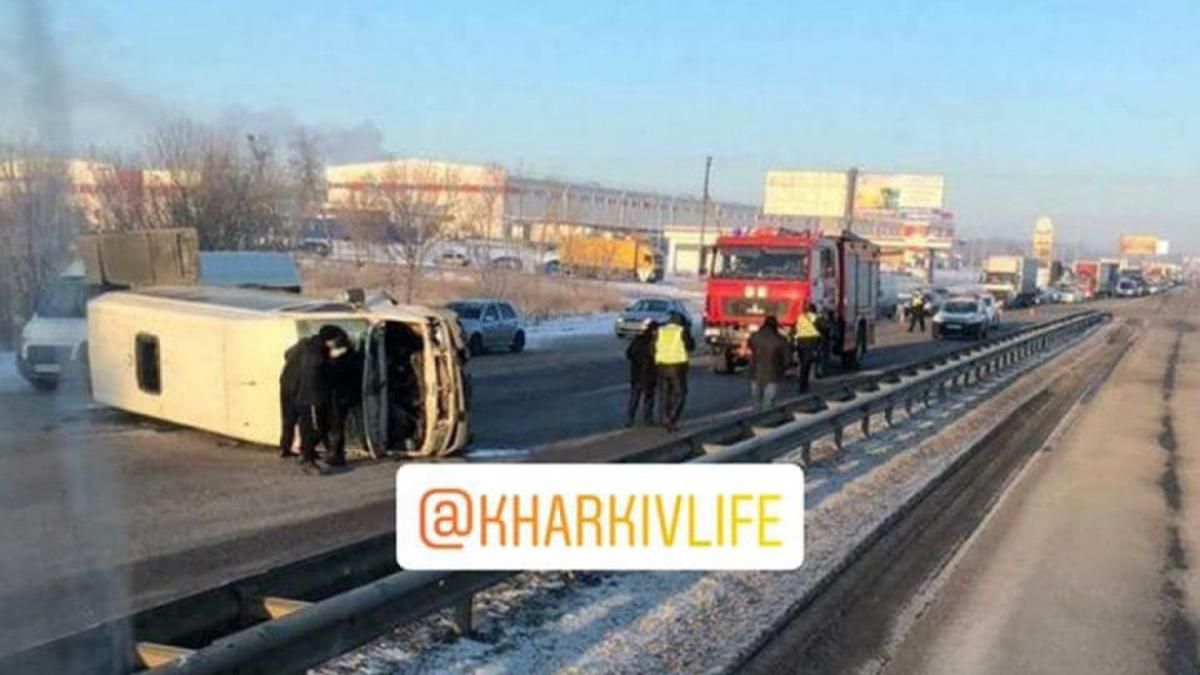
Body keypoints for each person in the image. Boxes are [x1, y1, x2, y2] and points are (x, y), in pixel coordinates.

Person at [279, 325, 343, 474]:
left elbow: (287, 353)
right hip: (307, 393)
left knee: (290, 419)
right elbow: (316, 375)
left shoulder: (304, 343)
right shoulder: (318, 355)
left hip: (289, 385)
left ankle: (286, 448)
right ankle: (307, 458)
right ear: (330, 340)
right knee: (312, 426)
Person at [321, 327, 361, 468]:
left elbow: (343, 376)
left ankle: (336, 454)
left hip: (341, 396)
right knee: (334, 424)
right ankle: (335, 452)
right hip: (337, 395)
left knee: (337, 425)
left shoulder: (347, 357)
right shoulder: (341, 355)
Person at [654, 312, 694, 432]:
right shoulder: (681, 331)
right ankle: (672, 419)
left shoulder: (660, 331)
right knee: (680, 394)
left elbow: (653, 347)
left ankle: (664, 418)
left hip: (661, 366)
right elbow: (690, 346)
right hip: (677, 366)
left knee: (665, 393)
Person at [748, 315, 788, 410]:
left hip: (755, 373)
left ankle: (755, 420)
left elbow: (750, 346)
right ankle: (765, 421)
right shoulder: (780, 340)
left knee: (756, 402)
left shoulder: (755, 337)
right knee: (768, 403)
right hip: (772, 374)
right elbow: (787, 360)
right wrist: (783, 369)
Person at [624, 321, 658, 426]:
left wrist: (636, 361)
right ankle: (648, 419)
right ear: (653, 331)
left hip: (636, 373)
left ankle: (630, 419)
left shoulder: (638, 339)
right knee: (648, 397)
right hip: (649, 374)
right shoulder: (654, 342)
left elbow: (628, 353)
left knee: (634, 397)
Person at [793, 304, 824, 393]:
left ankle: (802, 383)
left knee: (803, 363)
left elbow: (794, 330)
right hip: (811, 343)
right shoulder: (815, 318)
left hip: (800, 343)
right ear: (814, 310)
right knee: (806, 365)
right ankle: (803, 385)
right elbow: (824, 327)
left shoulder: (800, 317)